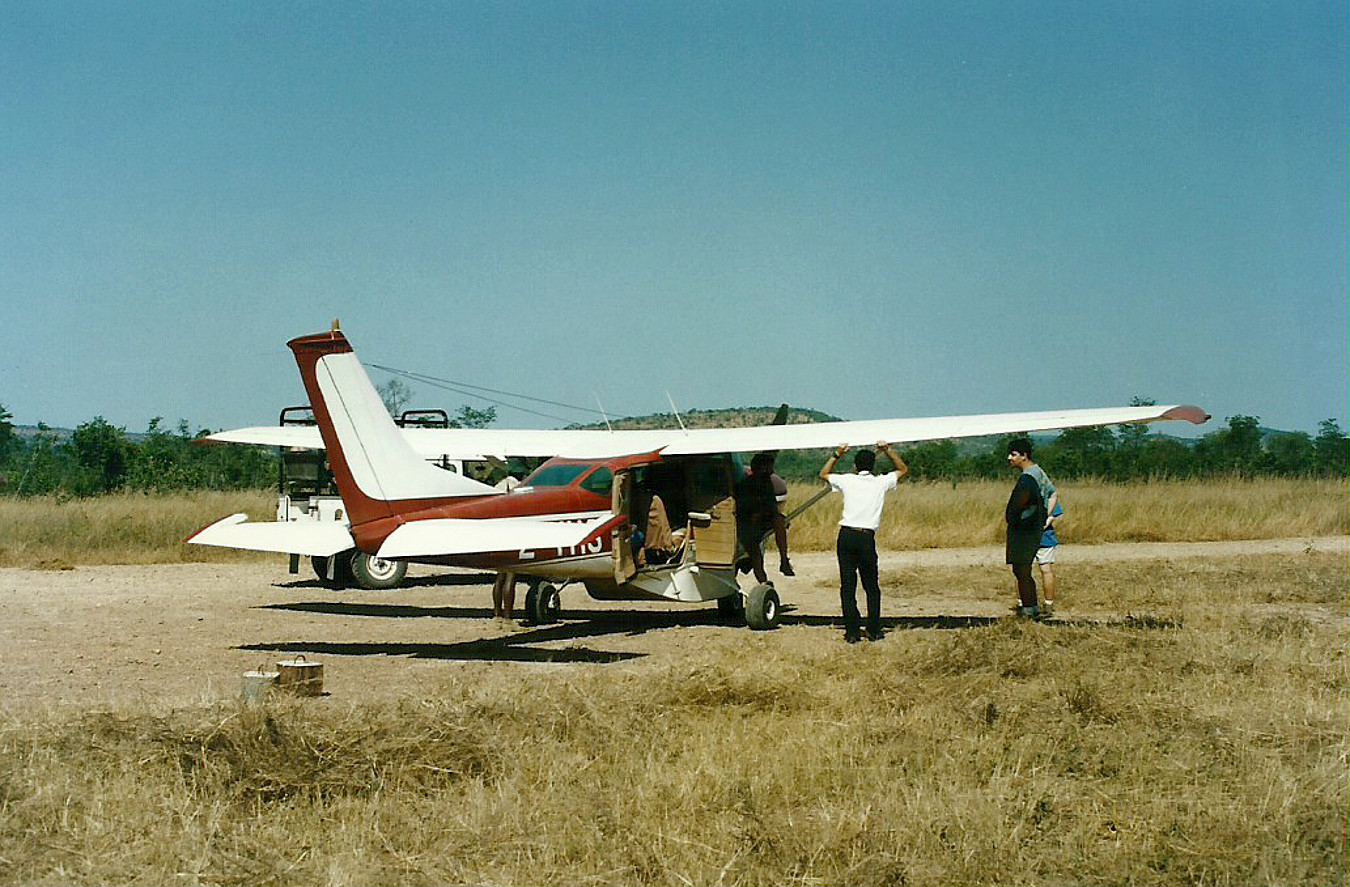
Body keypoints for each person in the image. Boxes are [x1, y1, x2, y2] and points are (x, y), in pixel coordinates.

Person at [819, 442, 908, 643]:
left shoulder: (848, 480)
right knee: (871, 586)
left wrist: (837, 454)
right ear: (873, 466)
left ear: (855, 467)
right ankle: (874, 629)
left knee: (847, 586)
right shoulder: (881, 482)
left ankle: (852, 631)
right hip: (866, 538)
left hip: (846, 536)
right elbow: (903, 469)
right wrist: (887, 450)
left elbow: (823, 474)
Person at [1005, 438, 1049, 619]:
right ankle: (1031, 607)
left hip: (1025, 529)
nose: (1009, 458)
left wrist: (1013, 519)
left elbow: (1018, 505)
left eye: (1013, 454)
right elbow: (1052, 493)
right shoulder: (1039, 473)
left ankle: (1030, 609)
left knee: (1021, 569)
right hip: (1034, 526)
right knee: (1022, 569)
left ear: (1024, 456)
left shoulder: (1028, 478)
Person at [735, 453, 780, 584]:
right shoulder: (751, 483)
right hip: (748, 524)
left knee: (754, 552)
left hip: (755, 522)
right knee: (754, 552)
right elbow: (751, 509)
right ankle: (764, 579)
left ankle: (765, 577)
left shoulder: (765, 482)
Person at [1036, 500, 1064, 613]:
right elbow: (1055, 516)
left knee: (1022, 571)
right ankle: (1048, 604)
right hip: (1045, 537)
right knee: (1046, 570)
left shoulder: (1024, 490)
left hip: (1024, 536)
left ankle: (1023, 604)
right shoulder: (1048, 494)